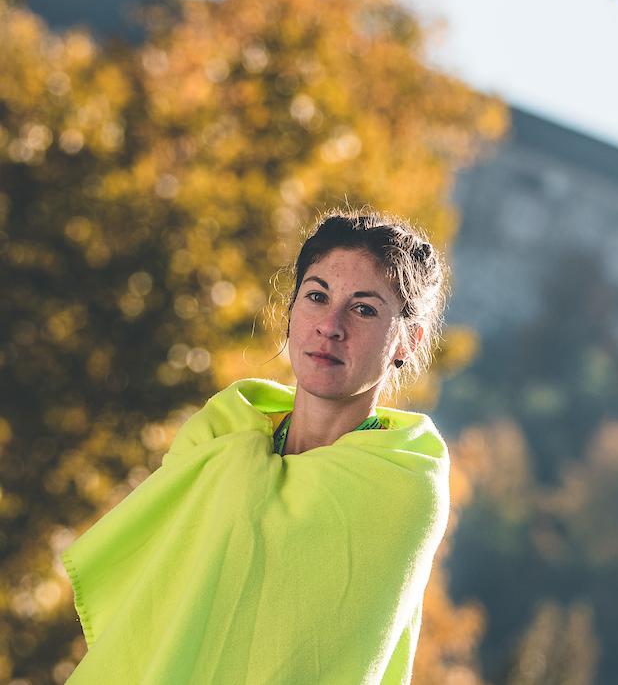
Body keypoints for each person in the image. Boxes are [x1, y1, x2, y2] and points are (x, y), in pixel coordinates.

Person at [61, 210, 452, 685]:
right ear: (291, 309)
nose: (330, 324)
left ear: (408, 342)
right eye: (316, 296)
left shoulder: (401, 485)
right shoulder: (220, 434)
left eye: (364, 308)